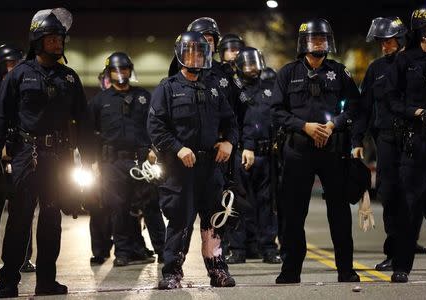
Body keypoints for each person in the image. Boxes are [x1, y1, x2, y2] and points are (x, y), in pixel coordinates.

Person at [0, 8, 93, 298]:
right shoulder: (19, 75)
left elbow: (84, 123)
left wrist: (90, 160)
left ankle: (46, 281)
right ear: (37, 41)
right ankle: (8, 282)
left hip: (58, 158)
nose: (57, 42)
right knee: (19, 220)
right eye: (50, 38)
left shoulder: (70, 78)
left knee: (51, 220)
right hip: (26, 155)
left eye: (60, 38)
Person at [271, 18, 360, 283]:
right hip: (298, 151)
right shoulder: (287, 73)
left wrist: (333, 125)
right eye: (314, 39)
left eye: (323, 39)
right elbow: (276, 112)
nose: (319, 43)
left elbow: (355, 106)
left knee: (339, 212)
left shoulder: (339, 72)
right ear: (303, 43)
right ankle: (290, 271)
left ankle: (346, 270)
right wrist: (304, 126)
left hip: (332, 151)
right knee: (293, 213)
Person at [148, 31, 238, 289]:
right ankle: (172, 273)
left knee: (215, 221)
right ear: (180, 55)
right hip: (180, 170)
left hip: (211, 168)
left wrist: (229, 142)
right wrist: (177, 149)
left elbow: (231, 123)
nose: (195, 58)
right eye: (190, 53)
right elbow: (155, 127)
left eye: (200, 53)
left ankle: (218, 271)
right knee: (179, 221)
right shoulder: (167, 88)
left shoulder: (214, 88)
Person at [352, 16, 426, 272]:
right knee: (390, 195)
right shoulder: (376, 69)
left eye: (389, 41)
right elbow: (364, 107)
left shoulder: (419, 62)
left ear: (401, 38)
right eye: (381, 42)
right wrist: (357, 139)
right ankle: (395, 254)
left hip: (418, 137)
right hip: (386, 139)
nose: (385, 46)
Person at [384, 2, 426, 283]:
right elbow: (392, 100)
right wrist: (416, 112)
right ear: (421, 29)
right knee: (410, 205)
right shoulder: (405, 61)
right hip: (417, 140)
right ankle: (402, 265)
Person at [88, 52, 162, 267]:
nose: (120, 73)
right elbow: (90, 133)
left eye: (124, 69)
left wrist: (154, 150)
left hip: (142, 161)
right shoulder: (99, 101)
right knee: (118, 207)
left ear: (131, 70)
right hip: (112, 163)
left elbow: (155, 126)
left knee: (151, 205)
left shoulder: (144, 96)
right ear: (108, 73)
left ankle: (163, 250)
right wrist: (93, 162)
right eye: (115, 70)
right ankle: (122, 252)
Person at [225, 47, 281, 265]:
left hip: (267, 155)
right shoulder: (235, 91)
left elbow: (275, 118)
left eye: (255, 63)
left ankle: (268, 248)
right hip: (242, 153)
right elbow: (236, 123)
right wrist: (245, 144)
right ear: (239, 67)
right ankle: (238, 249)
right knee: (240, 203)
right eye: (247, 65)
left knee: (267, 203)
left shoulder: (269, 89)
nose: (252, 69)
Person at [0, 44, 37, 274]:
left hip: (21, 157)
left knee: (22, 214)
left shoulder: (27, 94)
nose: (13, 70)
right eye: (8, 66)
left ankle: (23, 259)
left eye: (16, 65)